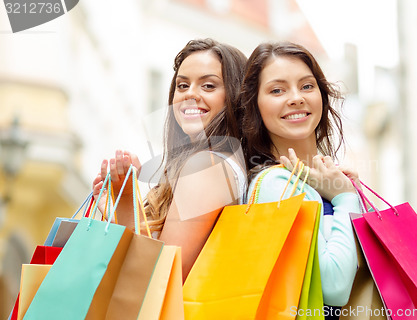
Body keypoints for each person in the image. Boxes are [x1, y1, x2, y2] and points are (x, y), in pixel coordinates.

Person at [92, 38, 248, 281]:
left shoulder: (208, 165)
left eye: (208, 86)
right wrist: (117, 207)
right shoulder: (212, 163)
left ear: (236, 95)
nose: (190, 94)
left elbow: (160, 278)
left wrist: (126, 200)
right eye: (182, 85)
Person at [240, 41, 360, 319]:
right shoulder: (276, 185)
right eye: (277, 90)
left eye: (307, 86)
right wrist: (345, 200)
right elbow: (333, 288)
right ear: (255, 105)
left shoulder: (327, 181)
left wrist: (342, 191)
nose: (296, 98)